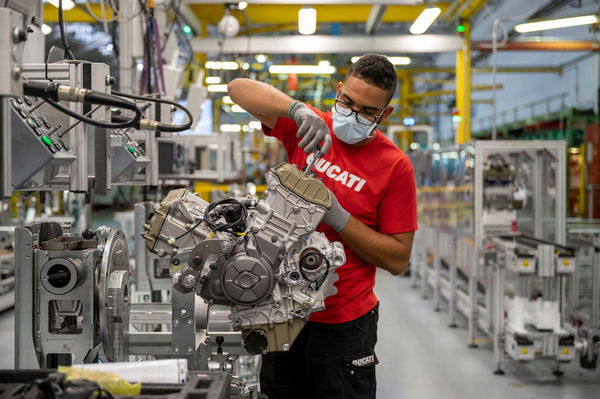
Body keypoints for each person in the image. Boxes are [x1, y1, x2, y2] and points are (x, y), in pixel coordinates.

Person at [227, 54, 418, 399]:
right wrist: (297, 110)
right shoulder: (311, 127)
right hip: (282, 310)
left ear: (384, 114)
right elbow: (237, 88)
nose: (353, 114)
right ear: (339, 90)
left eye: (367, 111)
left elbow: (397, 259)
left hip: (344, 322)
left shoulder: (395, 166)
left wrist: (340, 218)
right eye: (348, 102)